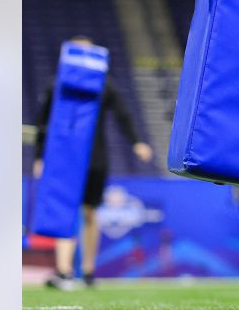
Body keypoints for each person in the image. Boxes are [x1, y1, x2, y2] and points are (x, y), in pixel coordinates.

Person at [33, 35, 152, 290]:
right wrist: (40, 157)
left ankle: (87, 270)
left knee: (90, 212)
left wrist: (136, 142)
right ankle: (64, 271)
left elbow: (123, 114)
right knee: (65, 211)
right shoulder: (58, 85)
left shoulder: (103, 85)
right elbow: (43, 124)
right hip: (64, 159)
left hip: (95, 158)